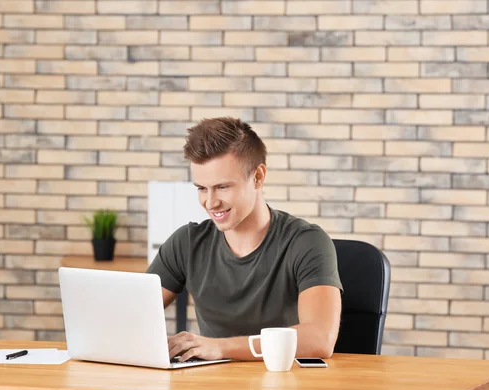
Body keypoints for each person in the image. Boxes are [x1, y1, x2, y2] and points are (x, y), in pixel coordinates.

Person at [146, 117, 343, 362]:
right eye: (201, 188)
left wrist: (219, 348)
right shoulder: (186, 243)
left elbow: (319, 340)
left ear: (258, 177)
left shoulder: (306, 242)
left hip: (286, 387)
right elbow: (131, 313)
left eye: (223, 187)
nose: (210, 202)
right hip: (210, 388)